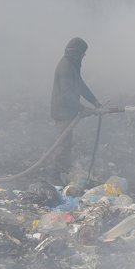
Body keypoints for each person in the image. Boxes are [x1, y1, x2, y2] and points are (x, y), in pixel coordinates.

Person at [50, 37, 101, 182]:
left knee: (66, 143)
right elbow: (66, 95)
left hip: (67, 111)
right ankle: (55, 177)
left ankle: (63, 172)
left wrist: (94, 101)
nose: (84, 56)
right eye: (83, 53)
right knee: (63, 144)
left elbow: (80, 85)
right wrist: (81, 108)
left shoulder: (72, 65)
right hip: (62, 112)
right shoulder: (66, 67)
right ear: (77, 53)